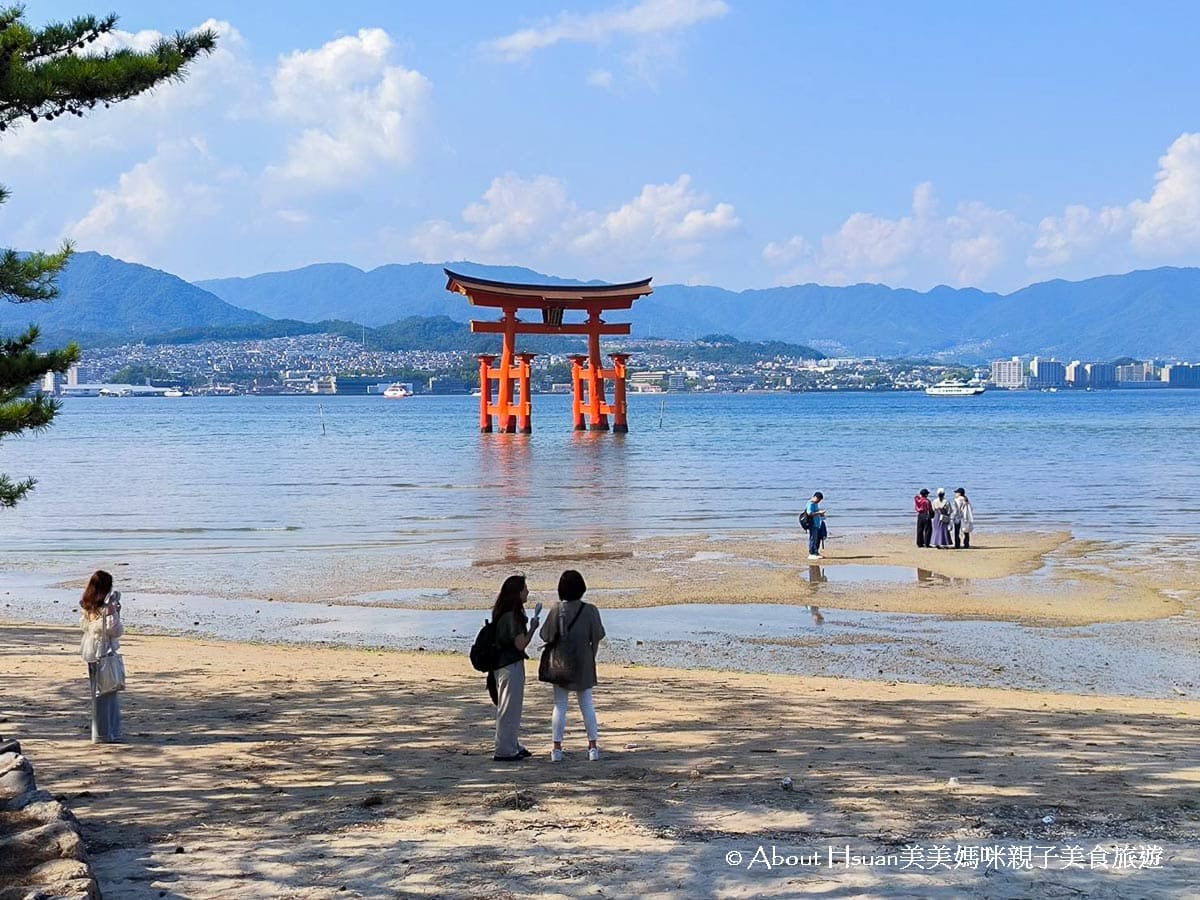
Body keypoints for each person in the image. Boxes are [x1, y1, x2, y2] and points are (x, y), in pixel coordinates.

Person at [539, 570, 606, 762]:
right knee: (587, 704)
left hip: (560, 663)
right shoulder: (591, 610)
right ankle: (593, 747)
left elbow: (545, 636)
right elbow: (597, 636)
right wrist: (591, 656)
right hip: (584, 661)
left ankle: (557, 749)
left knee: (560, 705)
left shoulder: (556, 610)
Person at [490, 574, 541, 762]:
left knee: (509, 707)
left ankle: (511, 744)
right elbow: (520, 644)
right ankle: (505, 749)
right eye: (524, 588)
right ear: (517, 593)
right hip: (509, 664)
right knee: (509, 708)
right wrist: (533, 628)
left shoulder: (504, 613)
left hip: (503, 665)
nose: (527, 591)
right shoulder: (512, 616)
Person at [79, 570, 124, 744]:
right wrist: (115, 610)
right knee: (108, 692)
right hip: (104, 651)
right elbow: (116, 631)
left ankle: (100, 732)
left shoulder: (87, 604)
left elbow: (88, 626)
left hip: (91, 650)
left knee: (97, 692)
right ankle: (107, 733)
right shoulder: (106, 608)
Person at [805, 491, 828, 560]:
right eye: (818, 500)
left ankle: (816, 552)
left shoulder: (815, 503)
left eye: (820, 500)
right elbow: (809, 513)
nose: (819, 501)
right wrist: (819, 513)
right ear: (815, 497)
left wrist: (820, 514)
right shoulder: (810, 503)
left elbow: (815, 512)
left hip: (817, 524)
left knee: (818, 538)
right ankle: (811, 553)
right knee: (813, 538)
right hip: (812, 524)